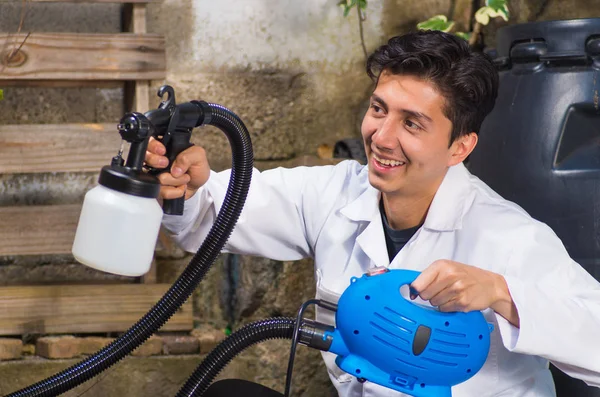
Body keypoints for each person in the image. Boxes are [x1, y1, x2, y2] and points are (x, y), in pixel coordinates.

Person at [145, 30, 600, 396]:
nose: (382, 137)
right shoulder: (338, 192)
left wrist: (503, 294)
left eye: (412, 123)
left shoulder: (510, 237)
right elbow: (220, 211)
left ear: (460, 146)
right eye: (378, 109)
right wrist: (187, 185)